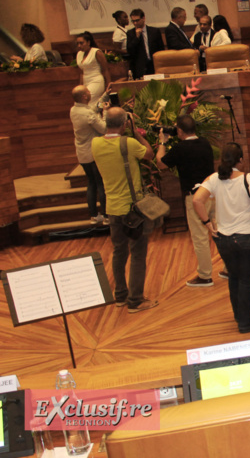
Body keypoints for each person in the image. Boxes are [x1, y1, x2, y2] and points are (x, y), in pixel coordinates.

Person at [193, 142, 250, 334]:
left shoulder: (213, 179)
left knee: (234, 277)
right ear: (241, 160)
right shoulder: (248, 178)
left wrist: (207, 223)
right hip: (248, 238)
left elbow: (197, 200)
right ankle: (247, 322)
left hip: (224, 239)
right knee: (247, 279)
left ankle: (239, 316)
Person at [91, 107, 158, 313]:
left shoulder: (95, 144)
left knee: (119, 251)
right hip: (132, 208)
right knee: (138, 253)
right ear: (123, 124)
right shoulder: (128, 143)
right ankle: (135, 300)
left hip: (112, 207)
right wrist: (136, 133)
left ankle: (120, 295)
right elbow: (149, 154)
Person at [156, 115, 216, 287]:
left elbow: (161, 163)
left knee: (200, 236)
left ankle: (205, 276)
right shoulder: (205, 143)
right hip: (212, 192)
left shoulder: (180, 148)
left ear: (179, 131)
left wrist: (162, 142)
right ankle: (228, 268)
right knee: (219, 231)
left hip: (195, 197)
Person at [70, 85, 107, 225]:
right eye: (88, 92)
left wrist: (104, 97)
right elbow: (103, 128)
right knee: (101, 183)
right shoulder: (88, 115)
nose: (90, 93)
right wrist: (106, 112)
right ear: (85, 97)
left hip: (82, 154)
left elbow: (90, 111)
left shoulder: (73, 110)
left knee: (91, 183)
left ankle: (93, 215)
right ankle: (106, 215)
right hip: (93, 152)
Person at [127, 9, 165, 79]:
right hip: (140, 67)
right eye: (133, 21)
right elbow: (130, 50)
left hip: (154, 65)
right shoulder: (130, 33)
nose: (135, 23)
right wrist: (137, 37)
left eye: (137, 20)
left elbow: (161, 49)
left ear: (143, 18)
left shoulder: (154, 31)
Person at [75, 32, 110, 108]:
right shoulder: (79, 54)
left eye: (81, 43)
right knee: (96, 104)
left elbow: (105, 69)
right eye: (77, 43)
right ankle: (102, 110)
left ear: (88, 42)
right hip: (86, 82)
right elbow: (81, 72)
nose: (79, 46)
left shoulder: (96, 52)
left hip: (96, 81)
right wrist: (80, 86)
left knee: (88, 101)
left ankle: (93, 117)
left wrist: (109, 84)